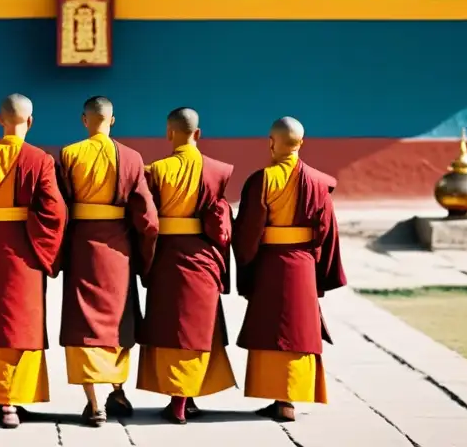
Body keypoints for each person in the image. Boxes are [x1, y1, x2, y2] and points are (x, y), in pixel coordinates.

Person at [233, 116, 347, 422]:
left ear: (271, 143)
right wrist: (317, 269)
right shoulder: (319, 183)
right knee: (297, 329)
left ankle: (277, 397)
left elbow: (247, 232)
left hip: (271, 261)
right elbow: (326, 232)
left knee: (271, 329)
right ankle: (289, 399)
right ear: (301, 143)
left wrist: (246, 263)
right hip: (302, 264)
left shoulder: (262, 180)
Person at [58, 96, 158, 426]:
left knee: (84, 321)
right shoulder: (131, 157)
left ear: (84, 120)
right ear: (112, 121)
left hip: (82, 246)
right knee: (119, 318)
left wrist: (56, 256)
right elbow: (147, 217)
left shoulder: (70, 155)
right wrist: (147, 256)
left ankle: (94, 403)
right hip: (119, 249)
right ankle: (117, 390)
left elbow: (58, 210)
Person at [0, 94, 67, 429]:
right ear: (30, 121)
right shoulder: (39, 159)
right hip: (25, 248)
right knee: (21, 321)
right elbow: (53, 209)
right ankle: (16, 400)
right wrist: (48, 250)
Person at [137, 107, 236, 425]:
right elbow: (220, 219)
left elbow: (147, 221)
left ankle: (178, 398)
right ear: (198, 133)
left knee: (171, 325)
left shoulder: (155, 171)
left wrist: (142, 258)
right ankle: (187, 395)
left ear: (169, 133)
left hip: (167, 256)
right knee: (199, 324)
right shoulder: (218, 170)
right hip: (202, 257)